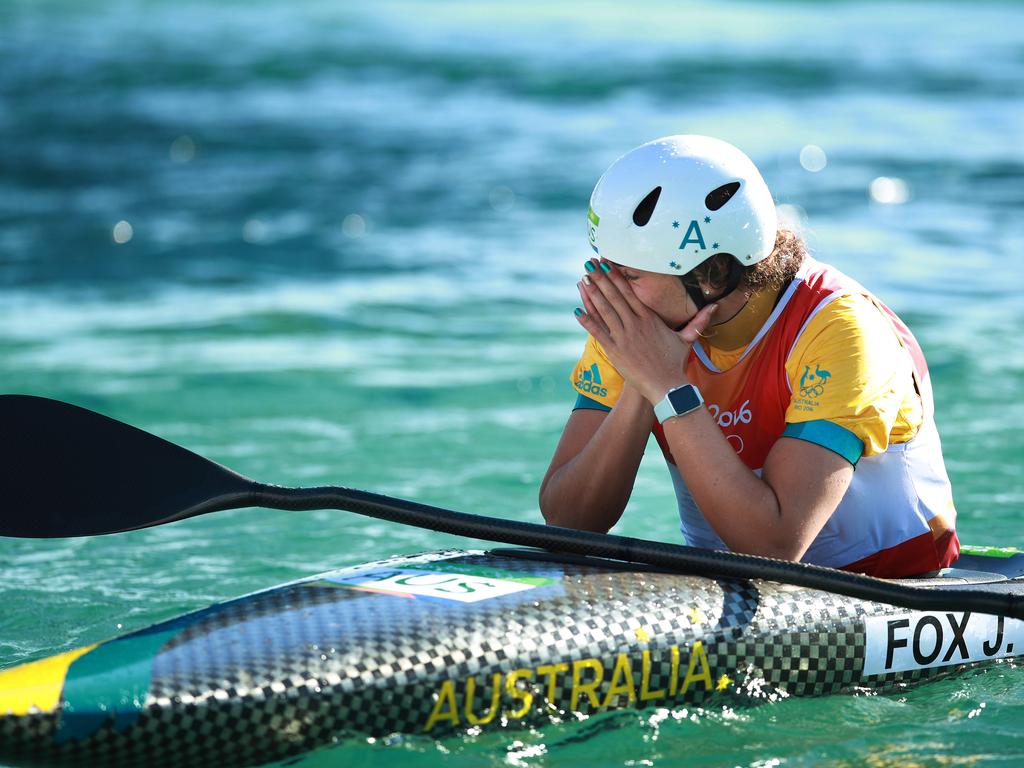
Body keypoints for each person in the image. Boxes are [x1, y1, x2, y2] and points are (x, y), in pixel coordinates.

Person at [539, 135, 958, 578]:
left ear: (711, 274)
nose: (609, 292)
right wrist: (640, 387)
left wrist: (668, 386)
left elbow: (775, 546)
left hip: (890, 588)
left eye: (628, 274)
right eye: (605, 268)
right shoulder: (639, 325)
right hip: (732, 590)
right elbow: (569, 522)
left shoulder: (841, 331)